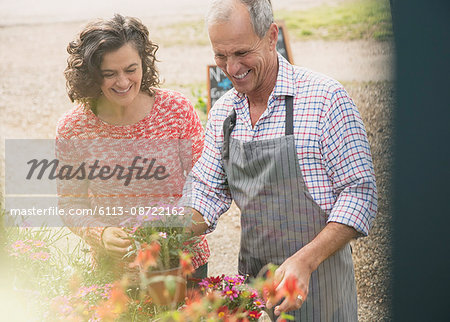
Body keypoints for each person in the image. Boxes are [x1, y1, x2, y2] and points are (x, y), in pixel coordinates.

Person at [183, 0, 377, 320]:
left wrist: (305, 261)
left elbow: (360, 194)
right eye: (221, 55)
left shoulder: (324, 98)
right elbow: (206, 190)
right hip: (255, 293)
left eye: (242, 53)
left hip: (321, 290)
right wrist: (160, 232)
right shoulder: (224, 114)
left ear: (272, 36)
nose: (231, 68)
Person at [56, 14, 209, 288]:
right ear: (91, 75)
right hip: (115, 274)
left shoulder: (176, 111)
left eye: (131, 69)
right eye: (109, 74)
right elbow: (70, 204)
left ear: (144, 64)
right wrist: (100, 234)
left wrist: (173, 233)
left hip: (181, 265)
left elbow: (205, 185)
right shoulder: (74, 128)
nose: (123, 82)